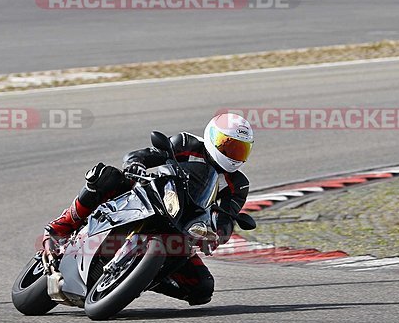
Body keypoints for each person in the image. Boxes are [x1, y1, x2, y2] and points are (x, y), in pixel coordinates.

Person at [41, 113, 254, 306]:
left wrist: (216, 235)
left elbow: (228, 218)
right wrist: (136, 163)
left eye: (240, 149)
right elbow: (144, 155)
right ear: (211, 137)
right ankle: (62, 226)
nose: (232, 154)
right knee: (108, 177)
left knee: (202, 288)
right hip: (152, 197)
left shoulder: (238, 185)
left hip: (183, 228)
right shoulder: (186, 143)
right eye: (227, 146)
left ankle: (138, 279)